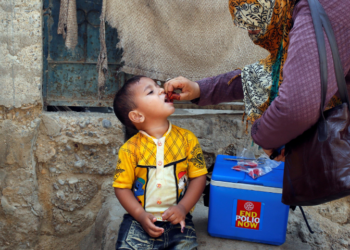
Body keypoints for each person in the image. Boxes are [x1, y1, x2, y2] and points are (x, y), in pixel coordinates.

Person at [164, 0, 350, 161]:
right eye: (246, 25)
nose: (253, 32)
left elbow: (296, 106)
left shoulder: (317, 12)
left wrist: (264, 135)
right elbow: (264, 75)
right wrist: (199, 89)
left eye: (257, 20)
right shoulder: (303, 18)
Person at [112, 75, 208, 250]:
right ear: (137, 116)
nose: (162, 89)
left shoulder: (187, 140)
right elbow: (121, 187)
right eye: (151, 91)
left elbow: (199, 177)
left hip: (179, 219)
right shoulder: (129, 149)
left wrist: (182, 208)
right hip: (139, 222)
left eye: (157, 86)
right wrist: (140, 215)